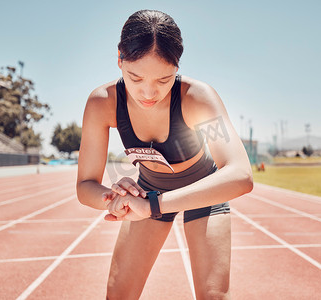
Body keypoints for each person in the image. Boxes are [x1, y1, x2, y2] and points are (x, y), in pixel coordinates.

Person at [76, 9, 253, 299]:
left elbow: (240, 174)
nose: (148, 93)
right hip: (147, 194)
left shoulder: (197, 99)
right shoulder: (102, 104)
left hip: (202, 192)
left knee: (214, 296)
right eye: (135, 78)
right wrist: (111, 199)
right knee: (118, 295)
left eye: (163, 80)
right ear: (119, 58)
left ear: (177, 66)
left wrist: (156, 205)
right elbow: (85, 186)